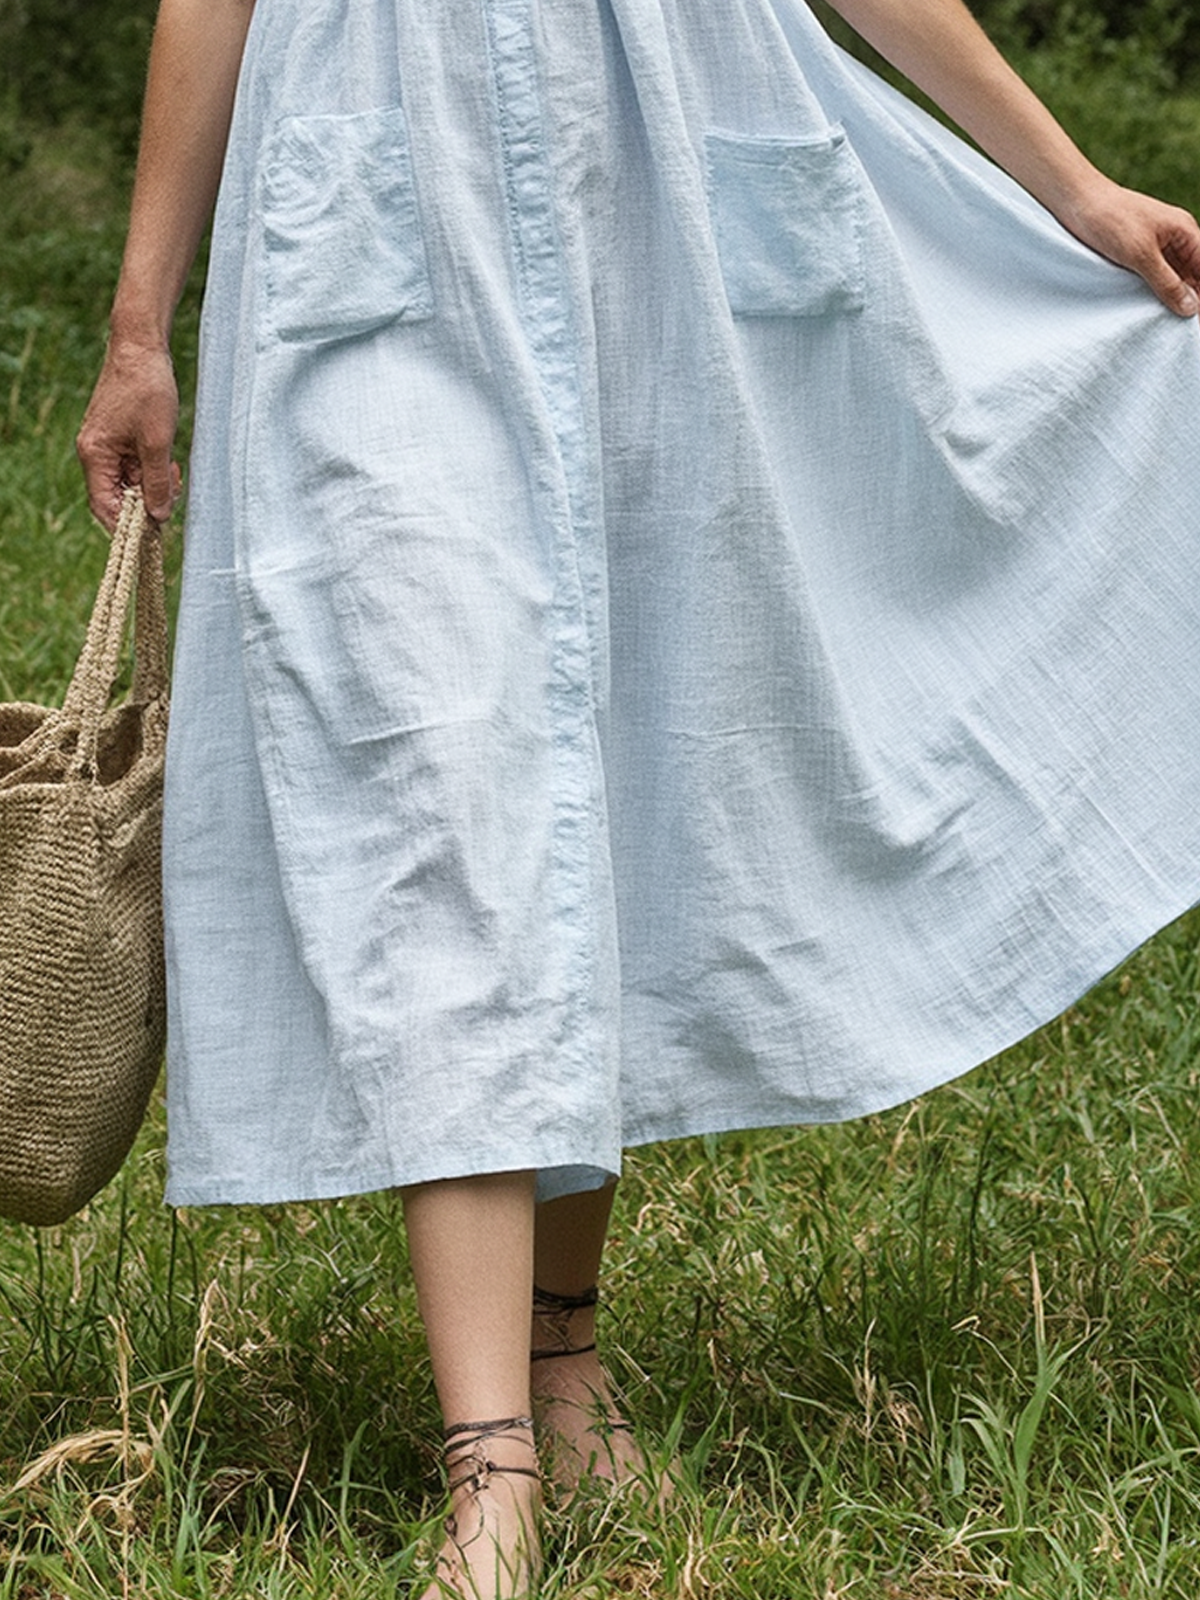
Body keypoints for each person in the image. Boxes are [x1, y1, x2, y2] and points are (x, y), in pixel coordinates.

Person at [78, 0, 1200, 1593]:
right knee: (435, 783)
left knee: (612, 763)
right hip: (381, 168)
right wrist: (140, 323)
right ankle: (492, 1462)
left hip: (666, 163)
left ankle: (565, 1356)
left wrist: (1072, 188)